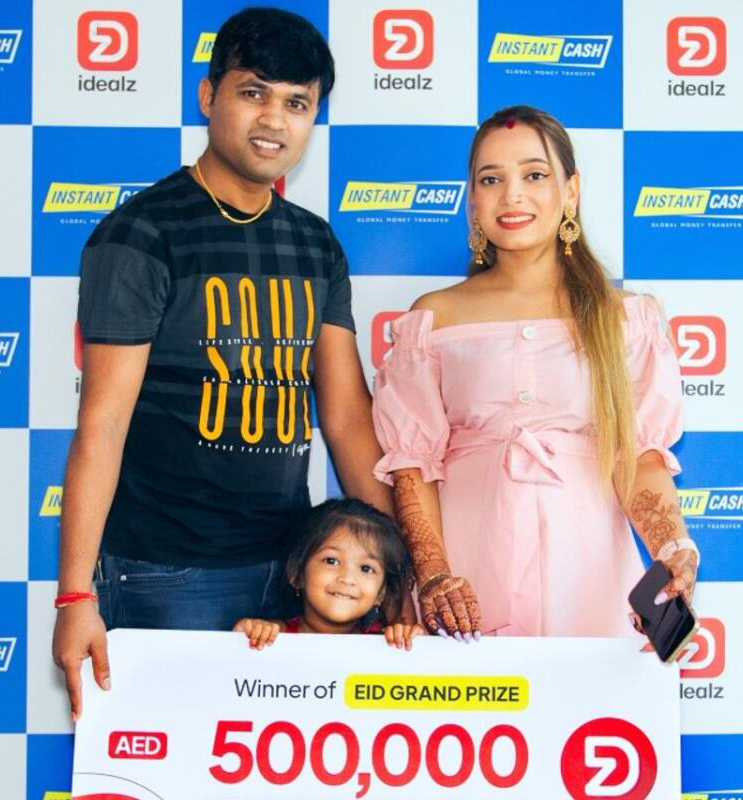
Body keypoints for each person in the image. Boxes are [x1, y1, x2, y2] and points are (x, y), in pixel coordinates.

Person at [53, 8, 392, 721]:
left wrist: (401, 570)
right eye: (253, 92)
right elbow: (103, 424)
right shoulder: (142, 234)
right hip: (167, 571)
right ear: (208, 96)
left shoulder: (315, 244)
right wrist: (76, 595)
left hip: (294, 574)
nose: (274, 119)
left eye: (297, 103)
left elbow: (346, 419)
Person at [372, 106, 699, 640]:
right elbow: (412, 468)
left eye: (534, 175)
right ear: (472, 201)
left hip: (588, 572)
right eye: (491, 179)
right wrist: (433, 576)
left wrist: (673, 548)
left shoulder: (623, 317)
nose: (512, 195)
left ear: (571, 191)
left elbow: (640, 457)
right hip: (467, 577)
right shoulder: (434, 316)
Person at [233, 498, 427, 650]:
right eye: (331, 561)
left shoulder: (388, 645)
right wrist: (245, 639)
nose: (347, 578)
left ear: (381, 594)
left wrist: (415, 646)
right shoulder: (271, 637)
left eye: (366, 568)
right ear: (296, 573)